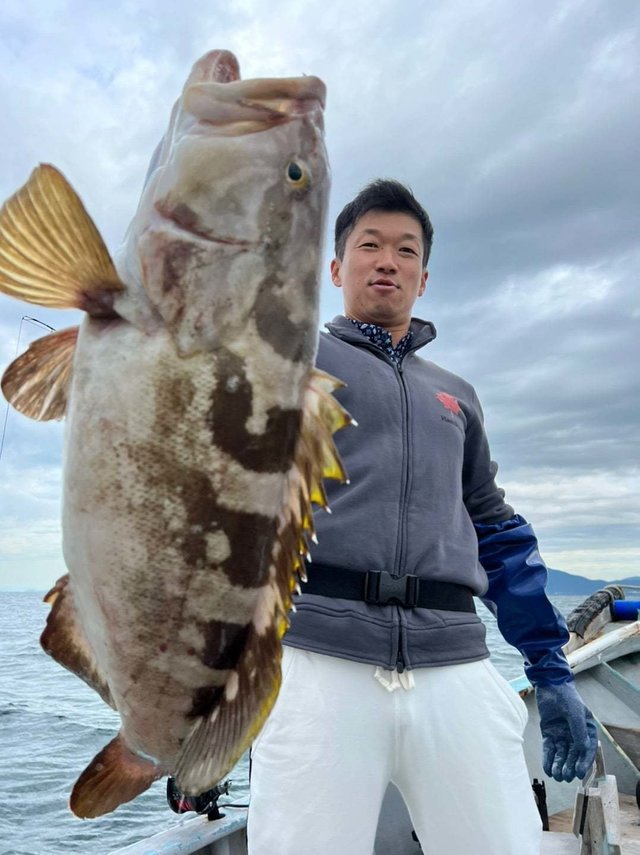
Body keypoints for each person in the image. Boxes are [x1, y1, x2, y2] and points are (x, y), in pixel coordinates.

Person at [246, 180, 597, 854]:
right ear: (335, 268)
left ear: (424, 276)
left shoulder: (457, 396)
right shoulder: (292, 365)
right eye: (369, 245)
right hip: (320, 657)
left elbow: (496, 532)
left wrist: (549, 667)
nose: (387, 261)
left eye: (405, 250)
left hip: (454, 660)